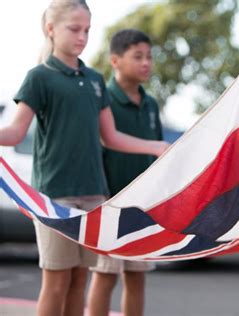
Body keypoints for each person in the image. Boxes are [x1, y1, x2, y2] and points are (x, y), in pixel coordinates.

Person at [0, 1, 169, 315]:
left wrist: (155, 147)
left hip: (94, 196)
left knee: (80, 280)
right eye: (74, 29)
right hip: (55, 196)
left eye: (87, 30)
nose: (82, 37)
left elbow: (112, 137)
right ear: (51, 29)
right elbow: (15, 131)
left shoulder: (94, 79)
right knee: (56, 282)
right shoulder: (39, 77)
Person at [86, 28, 162, 316]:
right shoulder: (102, 100)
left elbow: (156, 155)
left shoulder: (151, 104)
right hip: (109, 203)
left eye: (149, 57)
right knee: (105, 275)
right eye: (137, 56)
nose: (146, 63)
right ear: (115, 60)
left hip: (141, 207)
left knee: (136, 276)